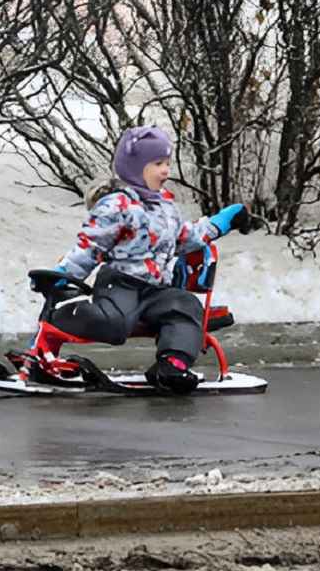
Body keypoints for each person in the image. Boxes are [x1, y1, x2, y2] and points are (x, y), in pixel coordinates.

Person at [27, 126, 256, 394]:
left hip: (156, 289)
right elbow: (90, 247)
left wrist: (223, 221)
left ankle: (172, 366)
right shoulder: (117, 206)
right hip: (120, 284)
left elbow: (187, 237)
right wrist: (61, 275)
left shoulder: (166, 207)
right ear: (135, 167)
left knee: (185, 307)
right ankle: (60, 316)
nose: (165, 171)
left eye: (168, 163)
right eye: (158, 164)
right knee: (114, 323)